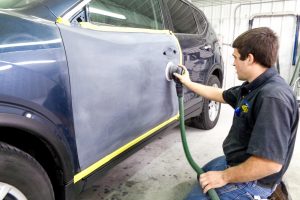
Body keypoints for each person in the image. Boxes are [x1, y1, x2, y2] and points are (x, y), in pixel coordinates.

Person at [174, 27, 299, 200]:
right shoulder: (253, 86)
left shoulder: (272, 98)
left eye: (235, 57)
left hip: (255, 181)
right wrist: (187, 82)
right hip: (237, 160)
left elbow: (269, 164)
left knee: (194, 197)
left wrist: (224, 177)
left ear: (249, 58)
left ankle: (264, 195)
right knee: (202, 174)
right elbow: (220, 94)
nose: (233, 63)